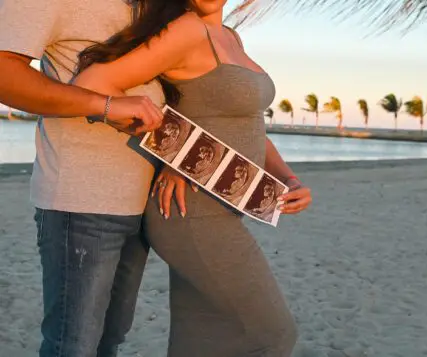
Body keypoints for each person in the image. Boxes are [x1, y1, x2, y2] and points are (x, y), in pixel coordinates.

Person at [74, 0, 312, 355]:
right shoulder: (186, 29)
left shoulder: (229, 35)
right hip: (192, 212)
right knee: (274, 334)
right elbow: (94, 84)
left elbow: (248, 126)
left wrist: (289, 178)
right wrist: (176, 150)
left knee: (199, 338)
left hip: (227, 206)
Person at [0, 1, 165, 356]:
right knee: (73, 346)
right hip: (80, 204)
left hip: (142, 203)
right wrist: (103, 105)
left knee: (111, 339)